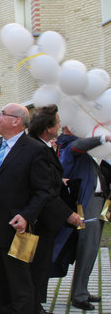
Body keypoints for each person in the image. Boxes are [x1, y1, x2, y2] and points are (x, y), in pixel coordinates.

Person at [0, 103, 51, 314]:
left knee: (19, 285)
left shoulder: (36, 150)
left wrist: (26, 216)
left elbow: (43, 191)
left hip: (16, 231)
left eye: (2, 114)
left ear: (16, 121)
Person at [28, 106, 81, 314]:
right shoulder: (38, 148)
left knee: (40, 264)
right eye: (57, 122)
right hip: (40, 218)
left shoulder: (40, 146)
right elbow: (44, 189)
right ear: (47, 127)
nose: (60, 126)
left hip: (43, 217)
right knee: (38, 264)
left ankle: (34, 304)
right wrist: (68, 215)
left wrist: (59, 180)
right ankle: (32, 306)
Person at [53, 127, 110, 311]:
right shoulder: (69, 144)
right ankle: (79, 295)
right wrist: (103, 138)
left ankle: (82, 290)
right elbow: (79, 146)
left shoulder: (83, 151)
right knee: (87, 248)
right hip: (87, 204)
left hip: (97, 202)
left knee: (91, 249)